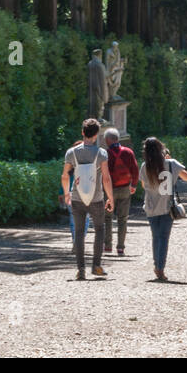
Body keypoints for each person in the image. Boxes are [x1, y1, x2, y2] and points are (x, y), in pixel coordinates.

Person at [61, 118, 115, 280]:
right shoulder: (101, 153)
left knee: (78, 232)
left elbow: (65, 176)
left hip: (77, 197)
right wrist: (110, 197)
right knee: (99, 229)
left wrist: (66, 194)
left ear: (83, 132)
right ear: (97, 134)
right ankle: (96, 266)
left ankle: (80, 269)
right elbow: (106, 178)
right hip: (96, 198)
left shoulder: (71, 153)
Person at [137, 136, 187, 281]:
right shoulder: (171, 163)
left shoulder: (144, 166)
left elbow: (143, 185)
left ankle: (157, 265)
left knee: (156, 237)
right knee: (164, 238)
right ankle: (160, 267)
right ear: (161, 149)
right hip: (167, 207)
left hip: (151, 206)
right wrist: (172, 164)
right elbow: (186, 177)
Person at [102, 128, 138, 256]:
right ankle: (121, 247)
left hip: (109, 190)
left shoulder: (105, 154)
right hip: (124, 188)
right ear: (118, 138)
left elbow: (103, 174)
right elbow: (135, 169)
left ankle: (107, 245)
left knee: (107, 218)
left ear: (107, 140)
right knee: (122, 219)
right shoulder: (128, 152)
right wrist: (133, 185)